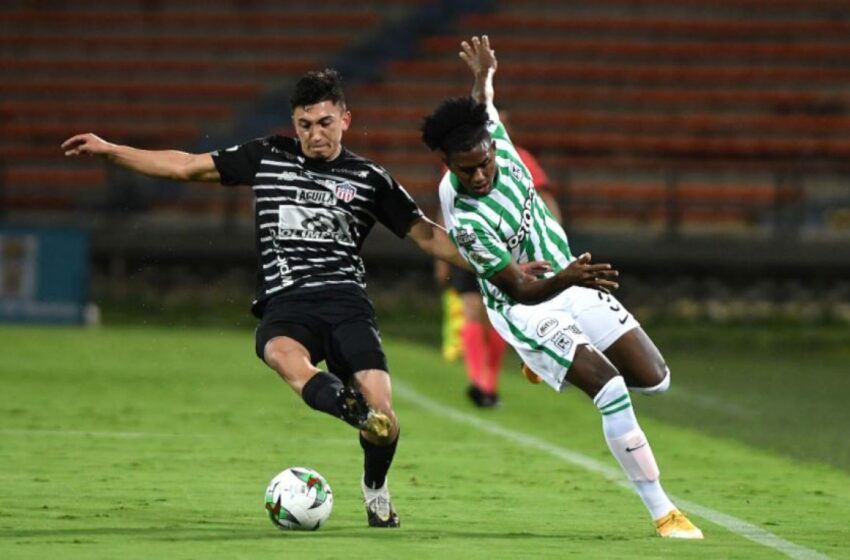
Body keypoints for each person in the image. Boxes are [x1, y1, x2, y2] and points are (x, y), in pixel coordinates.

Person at [61, 69, 472, 529]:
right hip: (287, 302)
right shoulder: (267, 156)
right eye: (305, 124)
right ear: (294, 124)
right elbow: (185, 165)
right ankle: (345, 405)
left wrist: (498, 270)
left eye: (325, 123)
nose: (315, 134)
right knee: (280, 352)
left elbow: (426, 235)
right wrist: (111, 150)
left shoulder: (369, 178)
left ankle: (374, 487)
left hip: (346, 304)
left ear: (345, 120)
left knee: (385, 421)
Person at [421, 36, 703, 539]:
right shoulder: (467, 220)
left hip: (569, 278)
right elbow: (518, 290)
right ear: (447, 163)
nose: (481, 174)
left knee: (655, 378)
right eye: (468, 169)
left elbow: (484, 103)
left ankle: (546, 363)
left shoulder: (494, 138)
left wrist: (484, 74)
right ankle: (664, 512)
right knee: (610, 389)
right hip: (526, 307)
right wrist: (565, 276)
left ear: (493, 144)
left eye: (485, 162)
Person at [435, 109, 562, 408]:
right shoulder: (461, 158)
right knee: (471, 309)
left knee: (495, 317)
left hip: (509, 251)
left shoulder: (521, 158)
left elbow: (544, 199)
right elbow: (445, 209)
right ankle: (478, 383)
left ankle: (489, 383)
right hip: (471, 246)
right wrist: (442, 257)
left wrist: (550, 243)